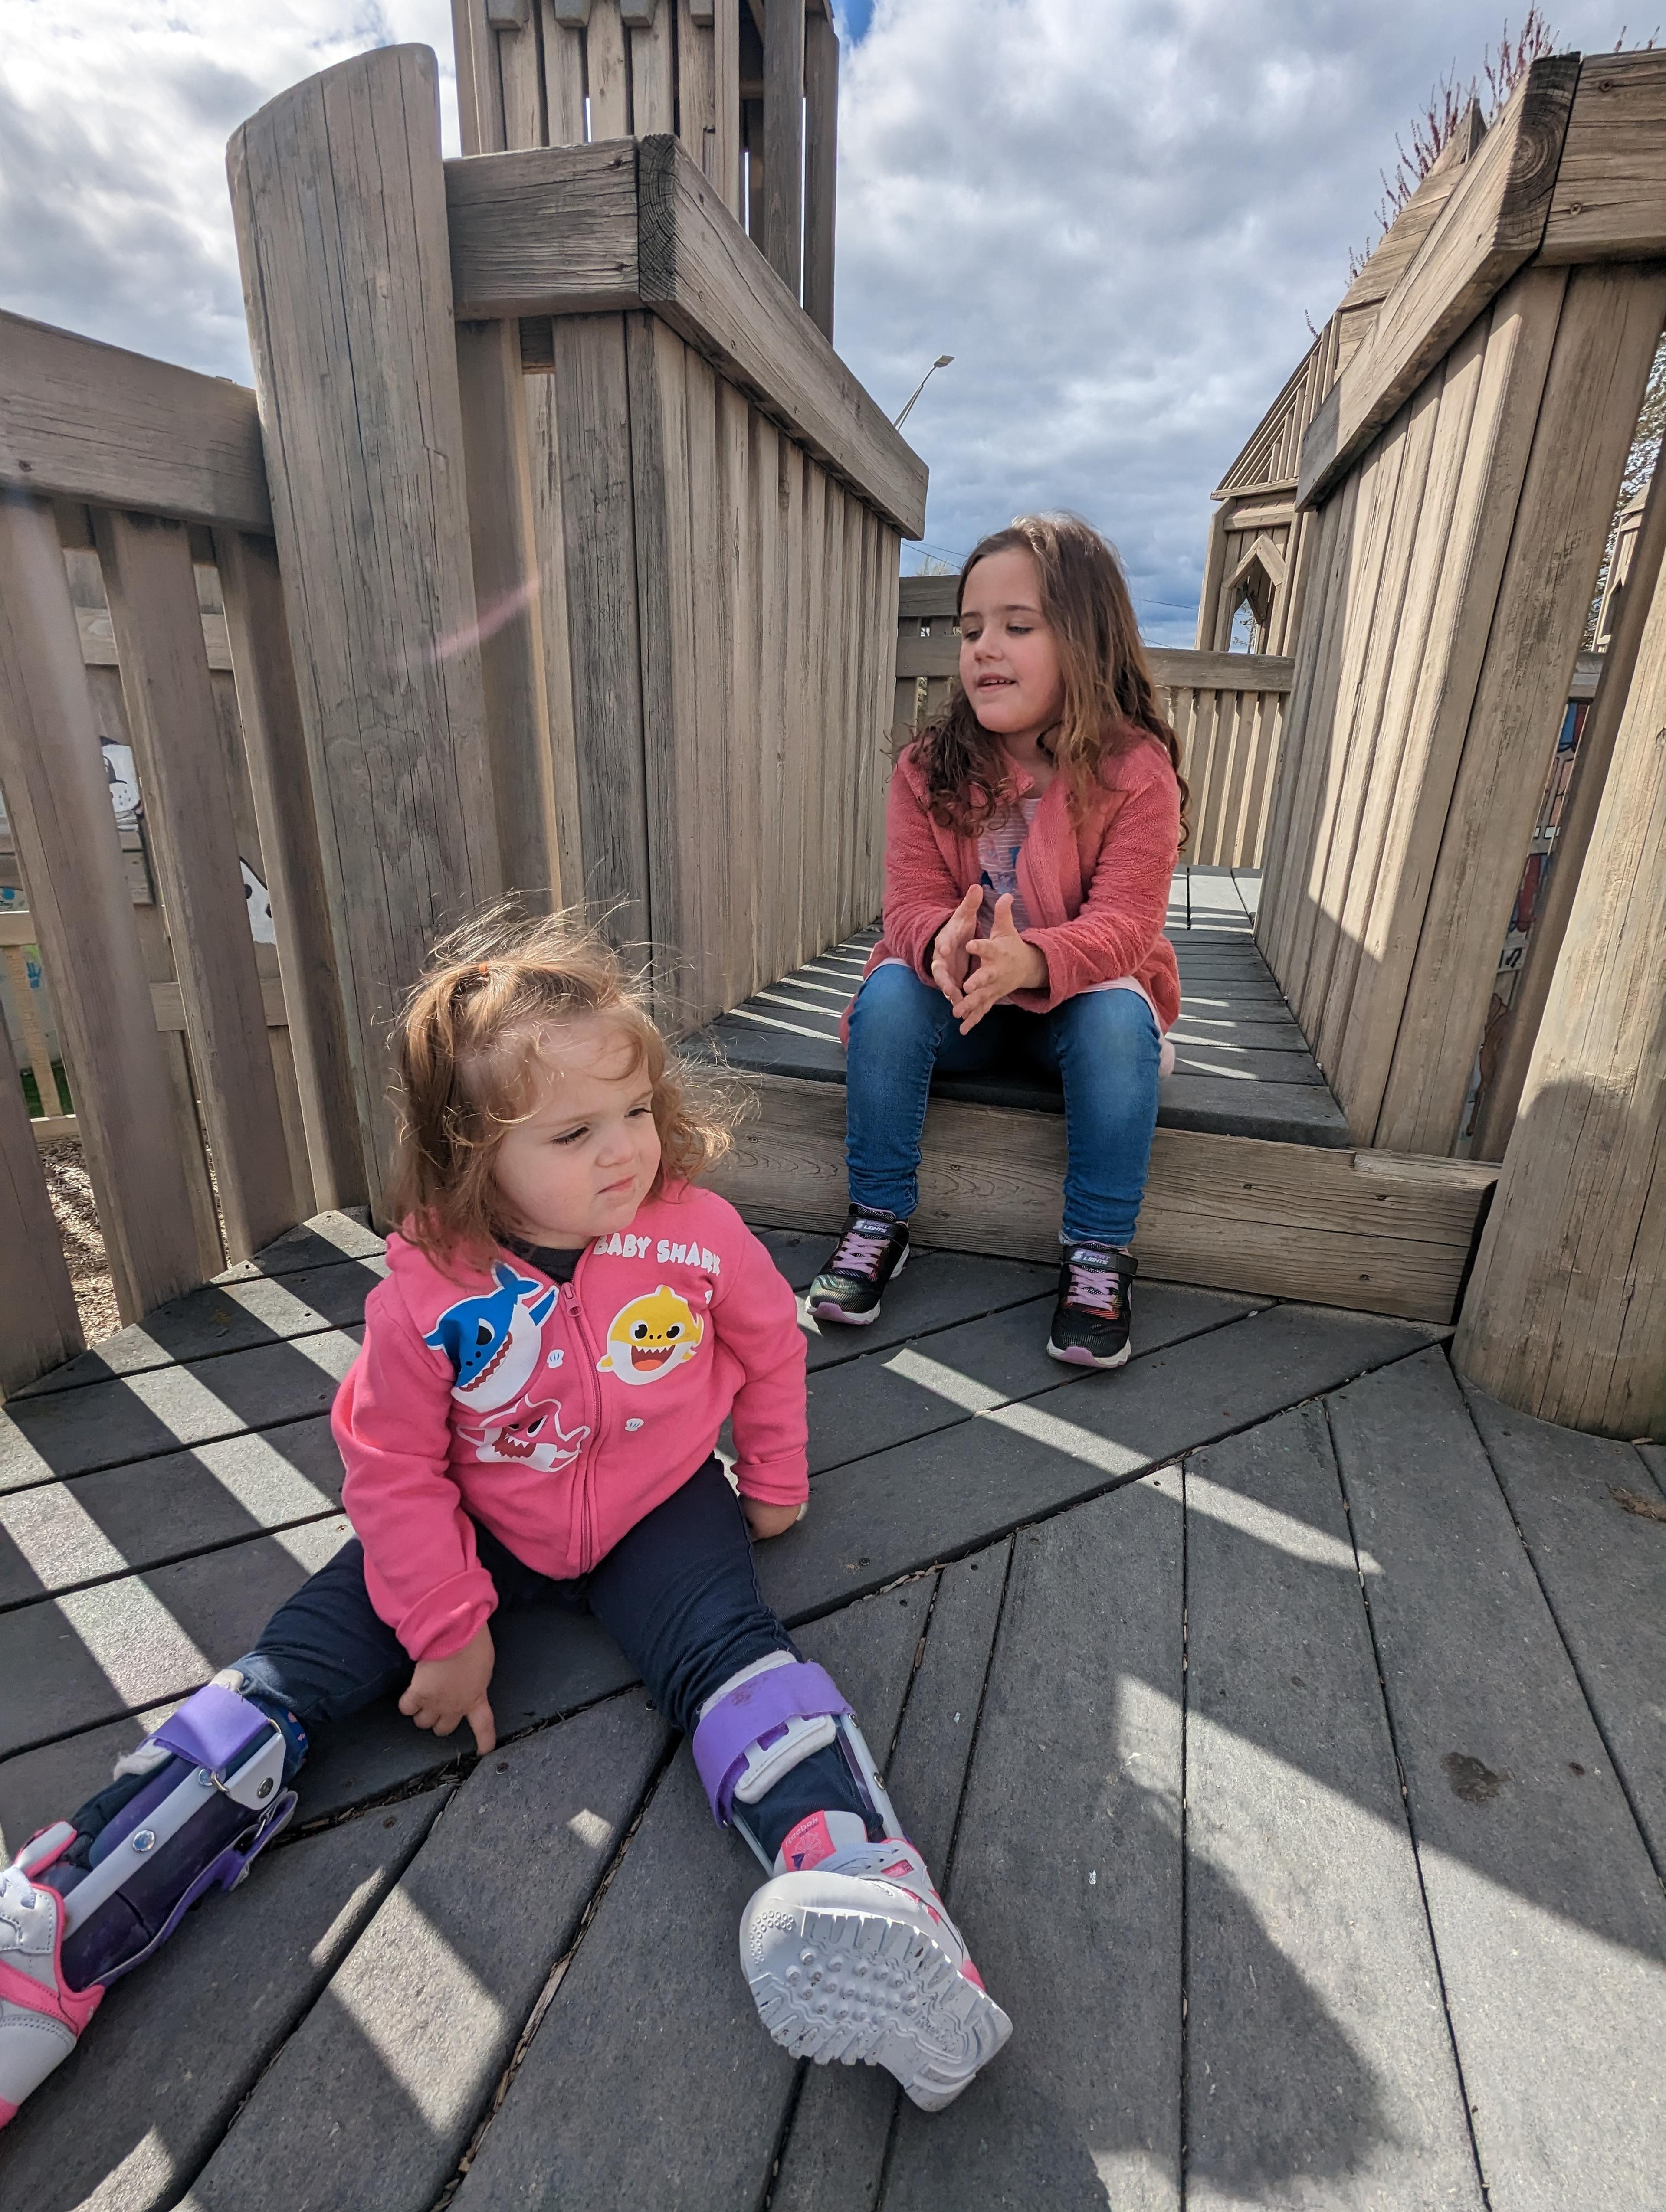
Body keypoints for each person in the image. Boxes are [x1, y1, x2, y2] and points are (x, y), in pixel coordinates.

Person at [0, 910, 1011, 2127]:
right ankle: (56, 1930)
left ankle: (869, 1892)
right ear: (472, 1157)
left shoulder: (696, 1233)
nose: (624, 1149)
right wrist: (445, 1627)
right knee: (286, 1674)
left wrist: (776, 1476)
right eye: (574, 1132)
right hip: (471, 1515)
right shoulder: (430, 1291)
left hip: (659, 1504)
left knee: (736, 1662)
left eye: (635, 1109)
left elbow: (767, 1347)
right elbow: (391, 1462)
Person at [810, 513, 1186, 1369]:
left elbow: (1128, 925)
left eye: (1018, 626)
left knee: (1121, 1021)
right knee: (888, 993)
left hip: (1074, 1011)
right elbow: (909, 902)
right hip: (965, 1008)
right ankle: (877, 1217)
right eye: (970, 628)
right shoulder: (926, 768)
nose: (984, 647)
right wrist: (936, 945)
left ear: (1087, 640)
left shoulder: (1135, 772)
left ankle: (1098, 1254)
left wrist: (1037, 959)